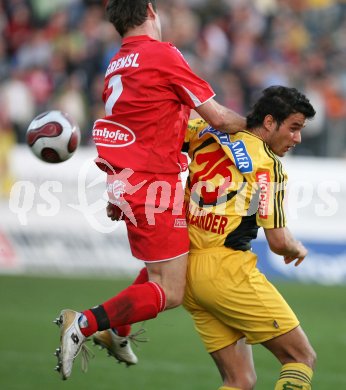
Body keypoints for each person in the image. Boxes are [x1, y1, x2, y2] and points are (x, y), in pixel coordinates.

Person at [53, 0, 245, 381]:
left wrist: (117, 189)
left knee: (168, 266)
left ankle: (117, 330)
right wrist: (262, 130)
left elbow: (127, 128)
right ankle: (86, 323)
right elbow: (219, 117)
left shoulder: (114, 65)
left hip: (131, 179)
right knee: (170, 290)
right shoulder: (162, 54)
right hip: (154, 182)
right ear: (152, 12)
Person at [183, 86, 317, 390]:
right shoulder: (268, 166)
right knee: (300, 358)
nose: (297, 138)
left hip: (188, 273)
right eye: (293, 128)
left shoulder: (205, 131)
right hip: (227, 272)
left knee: (239, 380)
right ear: (269, 122)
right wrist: (297, 248)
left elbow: (165, 135)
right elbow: (279, 242)